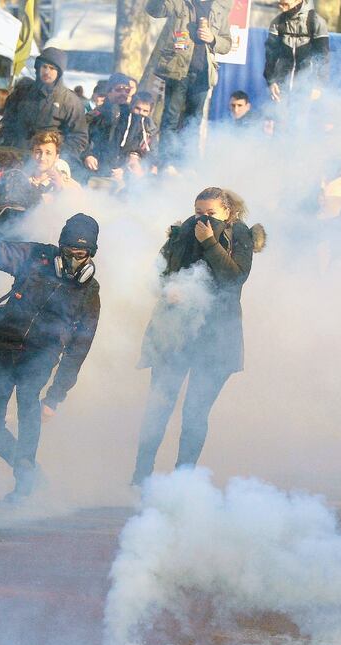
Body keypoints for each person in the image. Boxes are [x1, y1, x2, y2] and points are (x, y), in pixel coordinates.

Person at [132, 187, 265, 485]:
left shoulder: (240, 236)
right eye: (198, 213)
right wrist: (169, 290)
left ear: (228, 213)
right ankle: (140, 477)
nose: (203, 219)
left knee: (194, 413)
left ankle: (182, 481)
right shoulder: (180, 235)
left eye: (211, 214)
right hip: (174, 334)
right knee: (159, 405)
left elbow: (234, 278)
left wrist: (209, 244)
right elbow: (156, 275)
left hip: (216, 339)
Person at [0, 214, 101, 500]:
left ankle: (24, 484)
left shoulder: (89, 292)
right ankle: (32, 474)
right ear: (59, 248)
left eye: (82, 254)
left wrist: (55, 397)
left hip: (42, 355)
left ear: (91, 255)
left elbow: (78, 350)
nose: (75, 260)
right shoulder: (37, 257)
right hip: (3, 347)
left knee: (29, 408)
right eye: (69, 253)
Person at [145, 0, 233, 164]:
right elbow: (154, 10)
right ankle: (167, 163)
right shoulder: (180, 2)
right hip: (178, 69)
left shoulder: (219, 7)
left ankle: (186, 163)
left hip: (203, 72)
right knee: (171, 118)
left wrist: (213, 38)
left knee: (193, 121)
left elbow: (227, 44)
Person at [0, 47, 88, 167]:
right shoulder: (22, 93)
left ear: (59, 72)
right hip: (16, 158)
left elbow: (79, 137)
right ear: (38, 67)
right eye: (44, 67)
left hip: (48, 163)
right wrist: (5, 147)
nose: (47, 72)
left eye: (52, 68)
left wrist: (59, 156)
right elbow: (8, 123)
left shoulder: (70, 100)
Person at [264, 0, 329, 102]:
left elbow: (323, 57)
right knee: (278, 116)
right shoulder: (276, 23)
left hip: (307, 85)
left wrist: (318, 85)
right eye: (280, 4)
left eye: (286, 4)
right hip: (281, 86)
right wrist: (271, 82)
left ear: (298, 1)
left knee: (301, 116)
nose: (282, 8)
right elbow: (270, 56)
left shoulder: (316, 22)